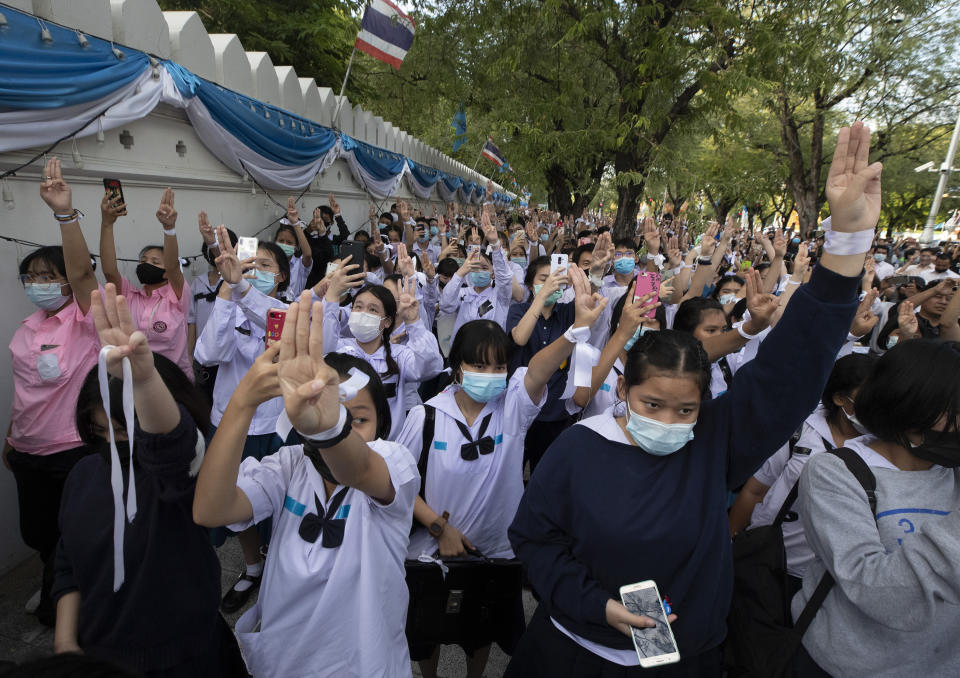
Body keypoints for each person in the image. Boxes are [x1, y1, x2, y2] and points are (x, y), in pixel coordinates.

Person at [504, 121, 879, 677]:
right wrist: (595, 605)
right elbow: (535, 541)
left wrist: (846, 244)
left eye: (686, 409)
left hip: (681, 660)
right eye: (653, 405)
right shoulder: (579, 448)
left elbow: (788, 375)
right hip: (573, 654)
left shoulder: (713, 443)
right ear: (624, 390)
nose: (670, 421)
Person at [398, 264, 611, 678]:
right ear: (456, 368)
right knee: (427, 629)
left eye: (498, 367)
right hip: (433, 552)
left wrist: (575, 332)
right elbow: (402, 487)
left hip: (497, 552)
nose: (491, 376)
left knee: (483, 631)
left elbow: (537, 370)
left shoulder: (513, 406)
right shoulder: (424, 417)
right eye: (479, 367)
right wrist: (440, 530)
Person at [193, 293, 418, 678]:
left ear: (381, 426)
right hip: (285, 660)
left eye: (358, 419)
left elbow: (359, 471)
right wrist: (243, 402)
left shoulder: (394, 461)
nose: (346, 425)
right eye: (329, 412)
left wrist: (331, 428)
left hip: (365, 663)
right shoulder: (289, 463)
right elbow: (211, 509)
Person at [53, 285, 242, 676]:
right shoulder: (83, 474)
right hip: (96, 653)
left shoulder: (179, 481)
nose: (110, 444)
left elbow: (173, 450)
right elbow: (67, 561)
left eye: (123, 433)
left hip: (185, 658)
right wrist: (66, 643)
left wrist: (144, 382)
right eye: (98, 431)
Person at [794, 339, 960, 677]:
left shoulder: (953, 471)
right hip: (849, 667)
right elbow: (875, 592)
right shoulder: (834, 472)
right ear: (913, 405)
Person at [5, 158, 102, 627]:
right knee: (38, 533)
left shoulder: (84, 322)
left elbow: (85, 276)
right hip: (27, 450)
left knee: (72, 532)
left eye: (48, 276)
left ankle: (65, 600)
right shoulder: (27, 328)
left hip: (71, 452)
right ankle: (55, 578)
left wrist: (66, 215)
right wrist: (11, 437)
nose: (39, 285)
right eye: (32, 277)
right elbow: (26, 390)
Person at [195, 226, 293, 613]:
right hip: (231, 424)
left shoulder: (290, 309)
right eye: (250, 262)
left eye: (264, 265)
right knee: (239, 505)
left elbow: (281, 335)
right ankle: (253, 567)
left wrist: (241, 290)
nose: (254, 269)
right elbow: (208, 353)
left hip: (275, 425)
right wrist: (226, 292)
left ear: (281, 275)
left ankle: (283, 568)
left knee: (282, 502)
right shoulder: (228, 303)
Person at [727, 354, 877, 585]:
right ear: (839, 398)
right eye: (869, 398)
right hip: (770, 558)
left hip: (830, 574)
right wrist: (728, 542)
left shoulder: (885, 447)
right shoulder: (799, 431)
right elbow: (755, 491)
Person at [323, 265, 443, 440]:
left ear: (387, 322)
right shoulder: (338, 349)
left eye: (373, 309)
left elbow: (430, 367)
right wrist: (332, 297)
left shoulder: (399, 355)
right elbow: (321, 349)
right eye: (358, 307)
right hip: (343, 446)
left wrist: (414, 323)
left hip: (386, 449)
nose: (363, 313)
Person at [99, 187, 191, 379]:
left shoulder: (176, 296)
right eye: (143, 261)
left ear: (167, 273)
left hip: (174, 384)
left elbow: (174, 268)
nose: (146, 264)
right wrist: (107, 224)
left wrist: (169, 229)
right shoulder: (128, 295)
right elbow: (109, 270)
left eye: (155, 262)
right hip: (134, 382)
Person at [438, 207, 514, 339]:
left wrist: (495, 244)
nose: (479, 271)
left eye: (484, 268)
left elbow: (505, 277)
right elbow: (445, 305)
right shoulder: (463, 293)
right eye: (475, 268)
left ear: (493, 273)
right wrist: (460, 273)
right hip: (463, 354)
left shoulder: (500, 295)